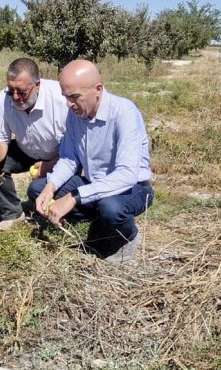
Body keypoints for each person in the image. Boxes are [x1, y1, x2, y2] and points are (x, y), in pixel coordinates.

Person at [31, 59, 153, 262]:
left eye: (75, 97)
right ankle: (100, 221)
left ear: (98, 89)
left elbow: (126, 175)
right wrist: (51, 187)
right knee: (37, 189)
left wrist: (74, 197)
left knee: (111, 208)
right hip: (95, 185)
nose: (69, 104)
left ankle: (128, 236)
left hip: (132, 188)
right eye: (65, 97)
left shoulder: (125, 113)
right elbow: (70, 159)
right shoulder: (75, 114)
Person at [0, 58, 70, 229]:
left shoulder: (61, 100)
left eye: (22, 92)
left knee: (40, 187)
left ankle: (61, 213)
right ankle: (12, 213)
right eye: (11, 90)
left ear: (37, 84)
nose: (15, 97)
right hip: (27, 149)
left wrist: (52, 165)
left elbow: (78, 148)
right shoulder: (4, 99)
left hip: (62, 157)